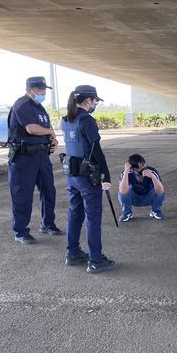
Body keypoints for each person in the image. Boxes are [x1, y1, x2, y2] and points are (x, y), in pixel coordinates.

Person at [61, 85, 115, 274]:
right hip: (87, 177)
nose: (95, 104)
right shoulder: (86, 120)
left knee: (75, 213)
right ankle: (95, 260)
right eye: (95, 101)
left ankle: (73, 253)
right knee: (93, 218)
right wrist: (105, 176)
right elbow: (96, 150)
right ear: (87, 101)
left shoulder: (66, 120)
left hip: (72, 175)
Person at [7, 76, 62, 244]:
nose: (43, 92)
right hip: (24, 158)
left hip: (41, 156)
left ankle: (47, 224)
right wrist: (50, 132)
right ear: (30, 90)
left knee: (49, 191)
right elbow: (31, 129)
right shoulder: (22, 105)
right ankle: (21, 232)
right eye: (40, 90)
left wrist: (52, 141)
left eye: (44, 89)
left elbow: (46, 130)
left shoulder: (40, 109)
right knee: (22, 195)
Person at [118, 153, 165, 222]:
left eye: (144, 165)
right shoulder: (126, 173)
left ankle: (156, 210)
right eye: (140, 167)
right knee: (123, 192)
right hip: (134, 198)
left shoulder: (152, 171)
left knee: (159, 188)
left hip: (149, 197)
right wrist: (126, 171)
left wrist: (153, 177)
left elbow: (160, 191)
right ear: (133, 168)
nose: (143, 168)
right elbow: (123, 191)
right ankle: (127, 213)